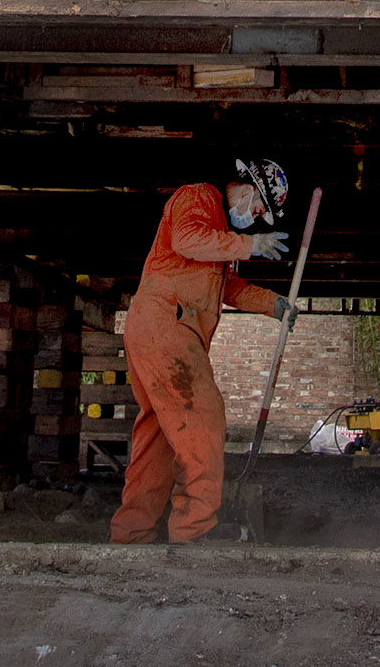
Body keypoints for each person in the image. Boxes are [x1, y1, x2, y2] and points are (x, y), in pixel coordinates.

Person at [108, 156, 293, 544]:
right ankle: (194, 529)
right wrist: (249, 244)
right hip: (166, 323)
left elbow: (230, 289)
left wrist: (273, 304)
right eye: (261, 207)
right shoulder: (200, 197)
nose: (258, 217)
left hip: (161, 327)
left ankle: (131, 534)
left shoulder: (221, 238)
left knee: (159, 433)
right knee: (204, 415)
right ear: (246, 187)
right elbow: (186, 240)